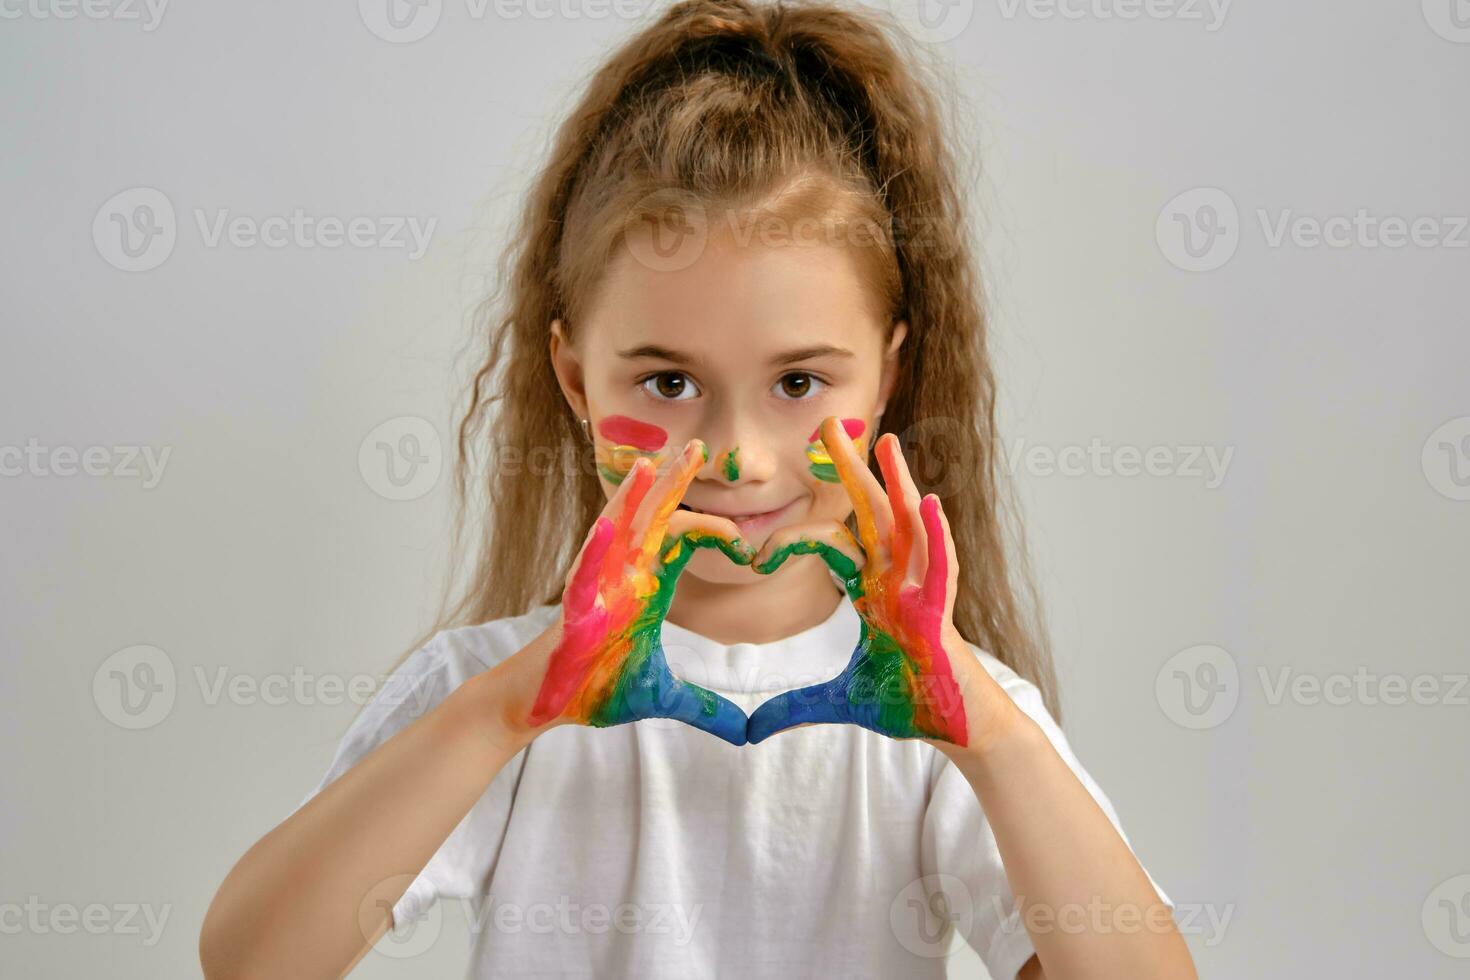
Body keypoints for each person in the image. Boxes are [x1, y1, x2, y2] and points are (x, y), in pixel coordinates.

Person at [200, 1, 1196, 976]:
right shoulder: (503, 691)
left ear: (887, 376)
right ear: (575, 379)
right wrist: (507, 708)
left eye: (799, 383)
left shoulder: (939, 717)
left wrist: (991, 736)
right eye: (668, 383)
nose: (738, 458)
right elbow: (251, 959)